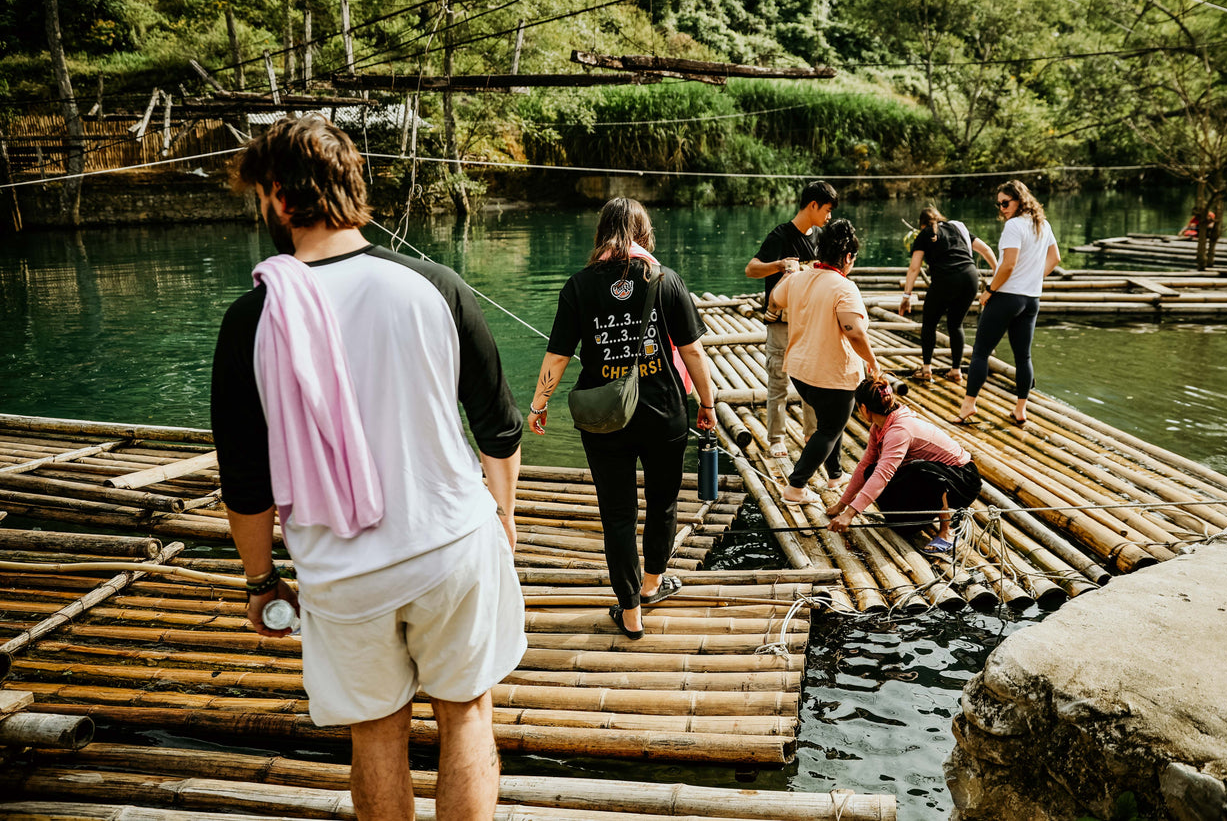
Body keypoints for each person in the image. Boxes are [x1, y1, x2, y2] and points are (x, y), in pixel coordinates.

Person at [212, 116, 526, 821]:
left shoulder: (252, 319)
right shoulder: (434, 285)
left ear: (278, 196)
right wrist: (503, 519)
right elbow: (499, 427)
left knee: (376, 733)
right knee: (468, 714)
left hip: (343, 573)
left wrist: (261, 580)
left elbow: (245, 481)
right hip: (452, 547)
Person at [528, 198, 716, 638]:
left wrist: (539, 405)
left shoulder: (579, 286)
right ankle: (651, 585)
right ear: (644, 234)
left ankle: (630, 612)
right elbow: (692, 351)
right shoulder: (666, 280)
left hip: (605, 418)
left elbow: (558, 356)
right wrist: (707, 404)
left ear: (601, 233)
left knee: (617, 515)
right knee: (663, 503)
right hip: (664, 413)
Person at [769, 219, 881, 505]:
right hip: (832, 375)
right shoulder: (844, 287)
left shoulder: (799, 278)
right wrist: (872, 361)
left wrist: (790, 273)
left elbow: (775, 299)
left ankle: (835, 476)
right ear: (848, 257)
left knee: (830, 423)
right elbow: (853, 331)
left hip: (800, 371)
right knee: (830, 429)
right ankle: (796, 487)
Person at [824, 374, 981, 553]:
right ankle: (918, 516)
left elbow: (883, 475)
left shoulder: (899, 431)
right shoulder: (878, 427)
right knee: (871, 471)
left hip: (963, 479)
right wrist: (841, 505)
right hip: (933, 474)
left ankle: (947, 530)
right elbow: (865, 466)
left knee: (920, 470)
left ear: (864, 408)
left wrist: (849, 514)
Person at [953, 180, 1060, 427]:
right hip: (1031, 299)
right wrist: (1034, 277)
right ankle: (1020, 410)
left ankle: (968, 406)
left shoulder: (1014, 225)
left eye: (1005, 203)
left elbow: (1009, 264)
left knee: (980, 352)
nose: (1001, 208)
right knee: (1023, 357)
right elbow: (1055, 258)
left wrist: (990, 290)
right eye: (999, 204)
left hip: (1007, 296)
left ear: (1019, 200)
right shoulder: (1043, 224)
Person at [744, 181, 838, 458]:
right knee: (778, 381)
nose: (829, 216)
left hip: (811, 323)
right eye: (827, 210)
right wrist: (779, 265)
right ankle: (776, 439)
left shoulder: (821, 237)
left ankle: (811, 433)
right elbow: (751, 269)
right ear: (813, 205)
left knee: (813, 381)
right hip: (781, 323)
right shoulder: (781, 235)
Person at [900, 206, 998, 383]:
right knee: (956, 324)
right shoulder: (958, 229)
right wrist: (997, 276)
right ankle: (956, 371)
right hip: (970, 278)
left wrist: (906, 296)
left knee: (929, 323)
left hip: (945, 279)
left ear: (922, 224)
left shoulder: (924, 234)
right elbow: (986, 250)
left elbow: (914, 267)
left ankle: (926, 369)